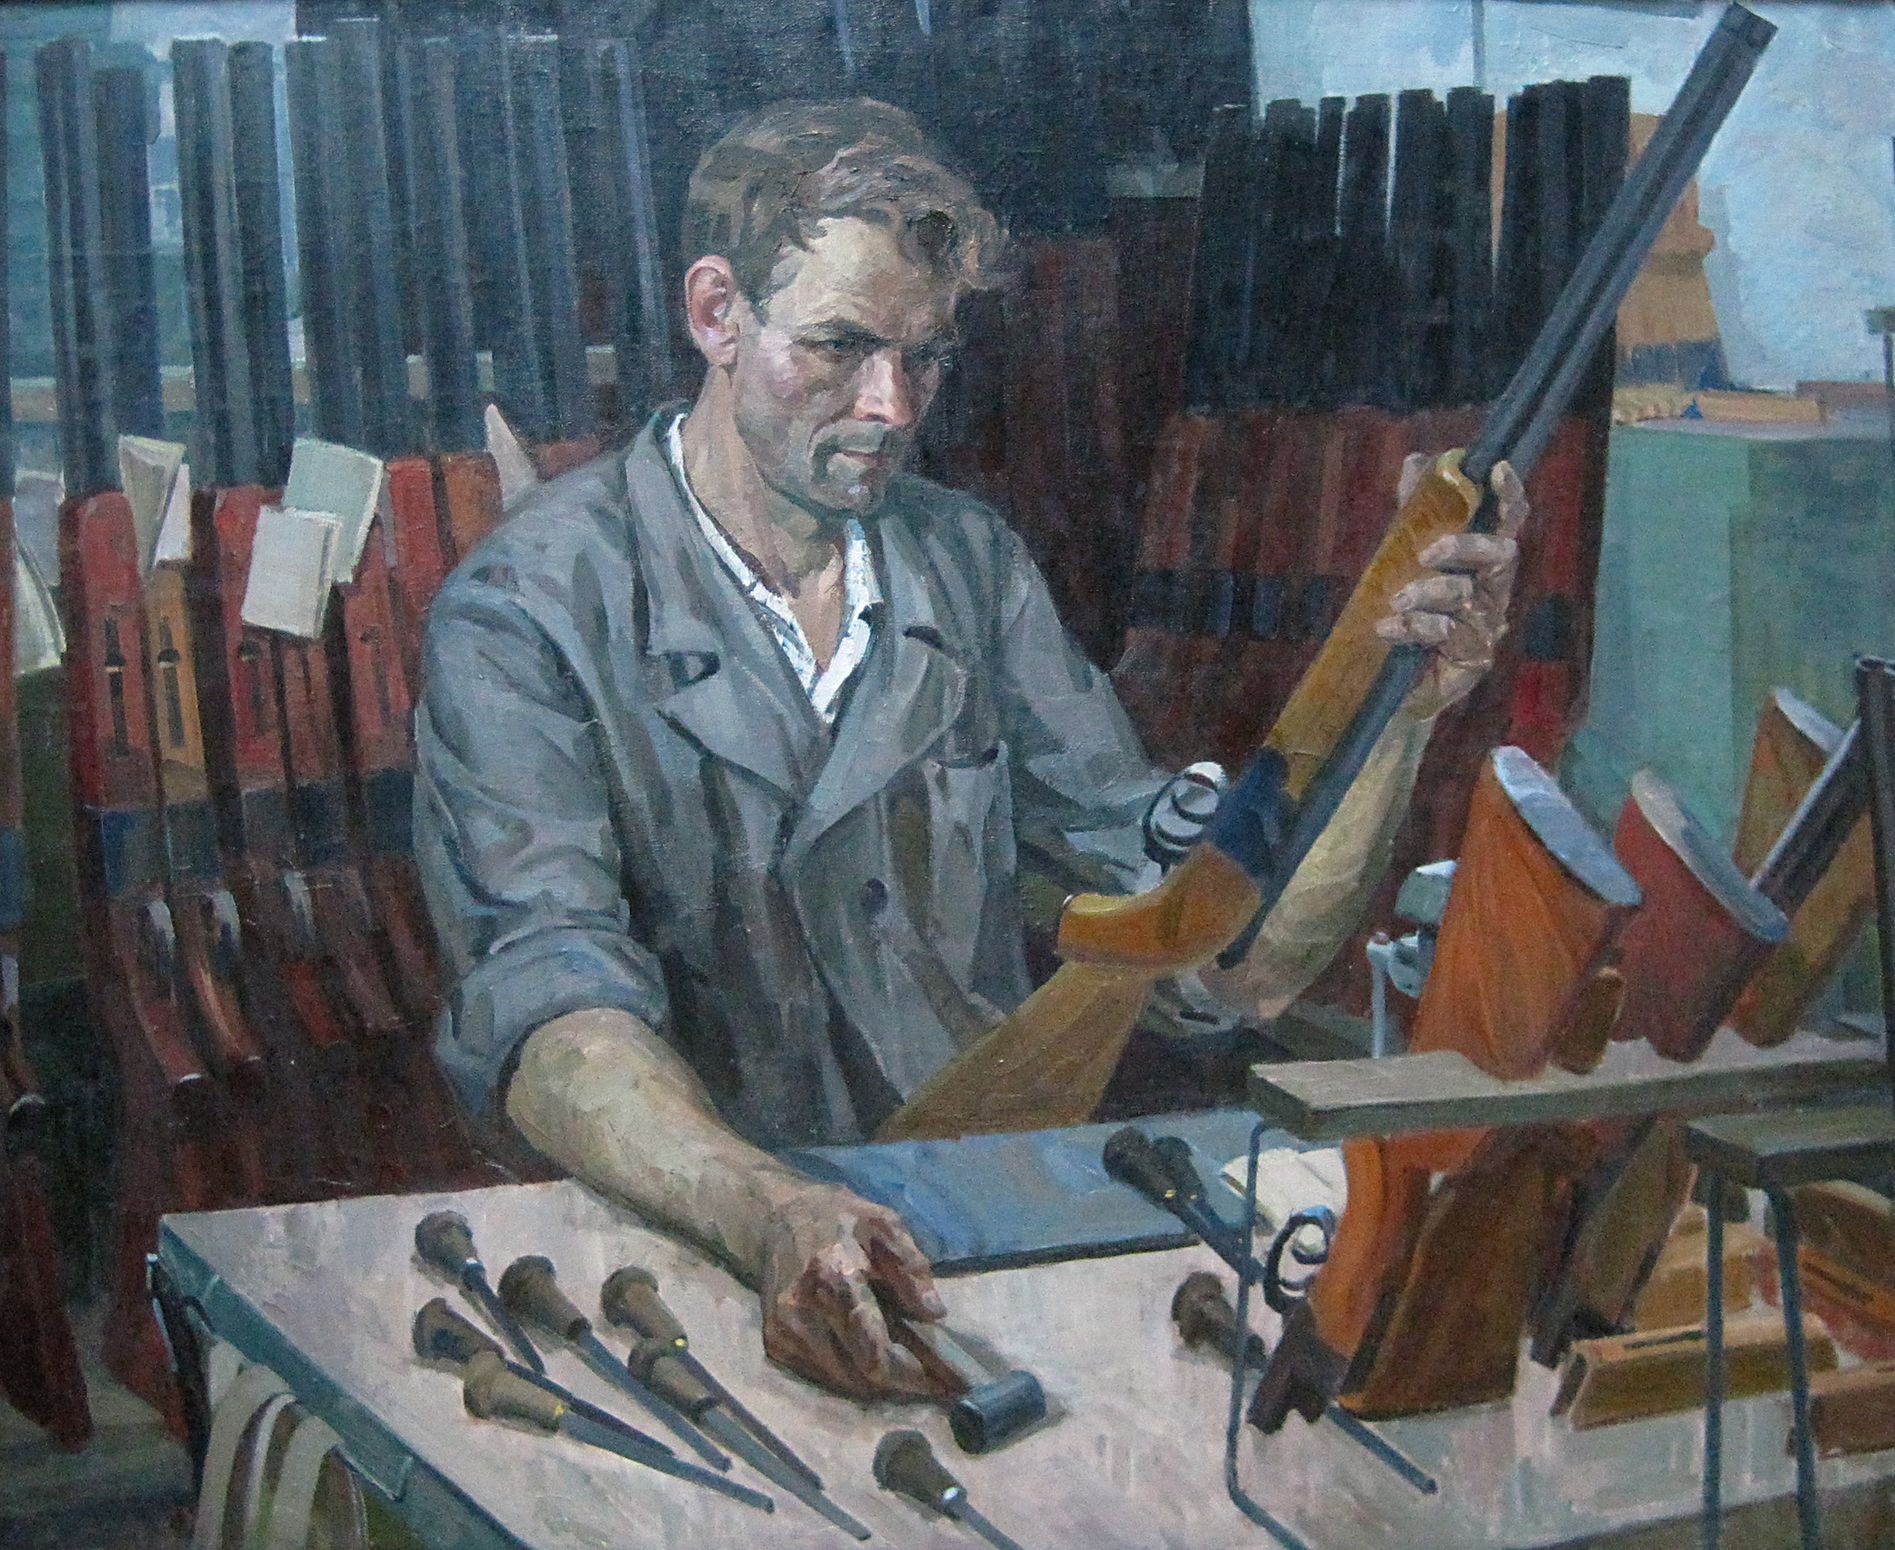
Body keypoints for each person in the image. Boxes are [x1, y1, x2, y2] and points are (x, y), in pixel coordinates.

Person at [414, 98, 1526, 1401]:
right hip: (690, 1267)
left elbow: (1227, 953)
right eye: (840, 347)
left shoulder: (969, 567)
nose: (889, 407)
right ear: (717, 313)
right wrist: (769, 1209)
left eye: (924, 357)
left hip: (981, 1242)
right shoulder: (527, 611)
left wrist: (1394, 707)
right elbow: (553, 1016)